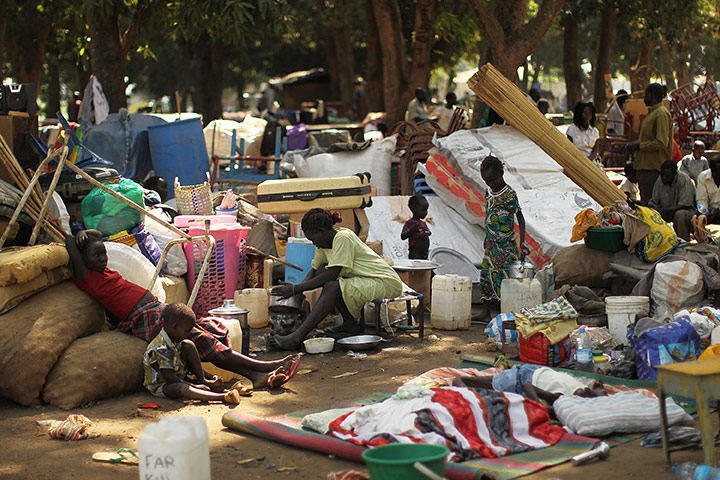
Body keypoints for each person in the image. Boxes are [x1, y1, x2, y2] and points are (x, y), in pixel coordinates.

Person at [65, 230, 299, 389]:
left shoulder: (100, 271)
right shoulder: (85, 276)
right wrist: (76, 236)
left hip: (155, 307)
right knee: (200, 339)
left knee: (208, 330)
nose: (102, 259)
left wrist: (87, 236)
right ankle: (265, 365)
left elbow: (94, 238)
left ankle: (255, 376)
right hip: (144, 316)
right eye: (96, 255)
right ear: (83, 261)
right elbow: (68, 243)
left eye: (103, 253)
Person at [268, 209, 402, 349]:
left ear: (321, 231)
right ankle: (350, 325)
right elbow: (314, 270)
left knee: (332, 286)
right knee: (322, 271)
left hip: (385, 281)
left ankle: (296, 337)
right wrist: (297, 290)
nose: (314, 243)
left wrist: (297, 288)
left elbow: (332, 274)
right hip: (365, 280)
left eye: (313, 239)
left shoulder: (343, 238)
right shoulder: (323, 244)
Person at [143, 303, 247, 404]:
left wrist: (208, 377)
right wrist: (192, 386)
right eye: (187, 330)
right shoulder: (162, 348)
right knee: (182, 388)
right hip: (162, 385)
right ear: (174, 327)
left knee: (189, 345)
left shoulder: (174, 339)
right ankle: (223, 397)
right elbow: (169, 377)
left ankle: (202, 380)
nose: (189, 333)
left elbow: (182, 364)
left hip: (177, 375)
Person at [478, 156, 526, 318]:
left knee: (503, 279)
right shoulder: (489, 192)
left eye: (492, 180)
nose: (490, 184)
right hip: (491, 244)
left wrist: (523, 242)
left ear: (501, 173)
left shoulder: (509, 194)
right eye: (486, 181)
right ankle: (485, 311)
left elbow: (520, 217)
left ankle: (503, 313)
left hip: (505, 245)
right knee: (486, 275)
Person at [452, 365, 606, 406]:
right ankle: (462, 385)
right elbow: (526, 385)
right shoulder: (565, 395)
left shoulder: (578, 389)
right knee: (465, 383)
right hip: (519, 380)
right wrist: (540, 405)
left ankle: (465, 387)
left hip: (532, 371)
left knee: (480, 387)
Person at [627, 83, 673, 205]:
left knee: (650, 206)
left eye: (645, 95)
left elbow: (661, 142)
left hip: (653, 168)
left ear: (652, 95)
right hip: (645, 167)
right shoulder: (653, 113)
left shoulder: (661, 113)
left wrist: (639, 146)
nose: (644, 99)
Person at [647, 160, 696, 224]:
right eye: (662, 175)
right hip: (665, 211)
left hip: (686, 210)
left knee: (679, 215)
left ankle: (682, 234)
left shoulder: (684, 179)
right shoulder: (660, 180)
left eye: (667, 176)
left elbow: (685, 205)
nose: (664, 178)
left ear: (675, 174)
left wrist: (663, 211)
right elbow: (654, 201)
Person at [401, 195, 432, 259]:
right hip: (415, 253)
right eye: (422, 210)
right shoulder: (410, 223)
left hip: (424, 253)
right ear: (413, 208)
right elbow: (403, 236)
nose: (425, 213)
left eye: (426, 210)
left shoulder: (423, 223)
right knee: (416, 267)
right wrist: (411, 230)